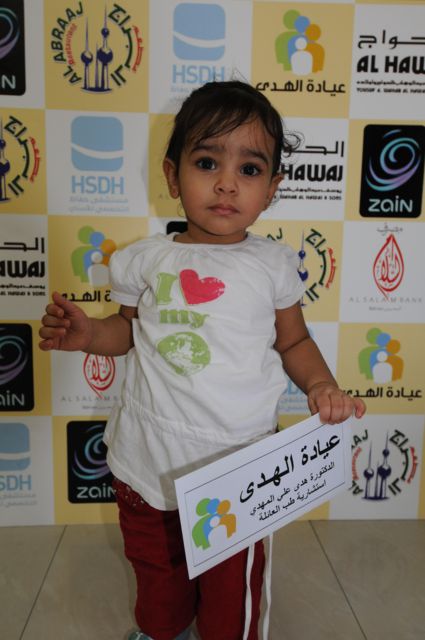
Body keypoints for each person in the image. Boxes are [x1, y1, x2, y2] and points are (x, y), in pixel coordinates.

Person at [39, 81, 366, 640]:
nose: (226, 183)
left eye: (250, 169)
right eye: (207, 162)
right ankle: (160, 629)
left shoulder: (272, 265)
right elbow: (128, 330)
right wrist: (90, 333)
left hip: (237, 472)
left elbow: (293, 343)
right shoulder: (144, 260)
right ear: (173, 176)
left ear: (272, 189)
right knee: (157, 581)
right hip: (146, 462)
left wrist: (321, 385)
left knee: (228, 600)